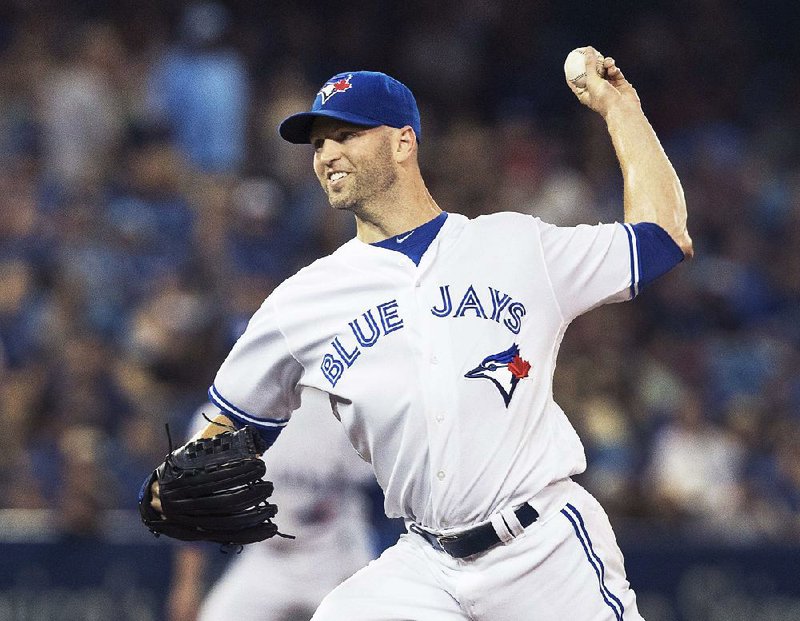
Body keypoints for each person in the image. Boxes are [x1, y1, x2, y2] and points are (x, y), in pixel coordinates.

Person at [148, 47, 692, 620]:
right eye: (318, 143)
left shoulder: (513, 245)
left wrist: (620, 107)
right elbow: (229, 425)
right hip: (425, 565)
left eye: (346, 135)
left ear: (404, 142)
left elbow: (661, 236)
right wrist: (175, 480)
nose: (327, 154)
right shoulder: (301, 303)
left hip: (544, 548)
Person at [166, 388, 377, 621]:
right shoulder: (219, 419)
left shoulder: (336, 415)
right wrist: (187, 584)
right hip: (267, 557)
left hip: (332, 553)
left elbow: (385, 495)